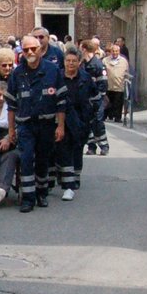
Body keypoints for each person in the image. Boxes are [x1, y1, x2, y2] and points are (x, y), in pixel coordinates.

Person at [6, 36, 66, 213]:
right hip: (25, 125)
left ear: (40, 49)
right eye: (26, 50)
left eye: (33, 49)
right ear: (21, 52)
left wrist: (60, 126)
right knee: (25, 160)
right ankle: (28, 198)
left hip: (46, 124)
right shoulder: (17, 74)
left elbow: (61, 102)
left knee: (42, 160)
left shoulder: (53, 70)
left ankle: (42, 193)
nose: (30, 52)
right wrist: (11, 130)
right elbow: (11, 105)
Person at [53, 49, 96, 201]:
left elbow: (95, 97)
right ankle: (68, 183)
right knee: (64, 149)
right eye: (68, 60)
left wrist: (91, 116)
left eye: (73, 61)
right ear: (64, 62)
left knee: (77, 148)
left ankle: (75, 176)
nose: (70, 63)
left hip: (81, 118)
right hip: (63, 117)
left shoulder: (86, 78)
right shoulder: (57, 77)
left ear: (79, 62)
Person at [80, 39, 109, 155]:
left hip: (96, 100)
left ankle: (104, 146)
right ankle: (91, 146)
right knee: (87, 123)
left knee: (98, 123)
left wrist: (97, 98)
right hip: (85, 101)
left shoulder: (97, 65)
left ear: (84, 49)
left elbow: (103, 84)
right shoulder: (83, 65)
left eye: (80, 48)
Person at [103, 42, 130, 124]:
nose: (115, 53)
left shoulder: (124, 61)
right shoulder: (105, 60)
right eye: (113, 51)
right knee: (107, 102)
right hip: (109, 85)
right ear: (111, 51)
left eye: (116, 51)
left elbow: (127, 72)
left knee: (118, 103)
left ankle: (117, 117)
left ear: (119, 52)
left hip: (119, 85)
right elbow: (103, 71)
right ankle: (106, 116)